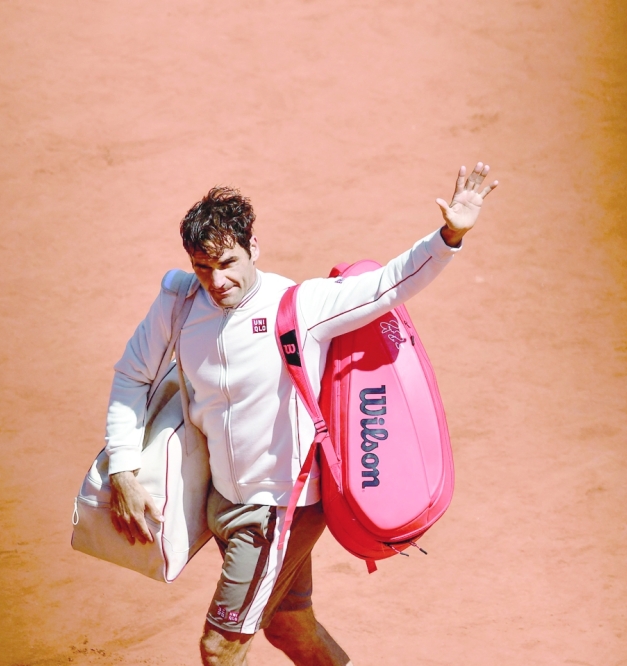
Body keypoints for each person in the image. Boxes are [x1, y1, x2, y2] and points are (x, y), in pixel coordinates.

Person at [104, 163, 498, 666]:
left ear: (253, 249)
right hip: (223, 504)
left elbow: (391, 283)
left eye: (227, 262)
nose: (217, 280)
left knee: (220, 650)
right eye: (203, 267)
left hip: (277, 513)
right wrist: (122, 468)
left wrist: (450, 235)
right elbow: (132, 376)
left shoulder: (301, 307)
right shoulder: (180, 305)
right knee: (291, 629)